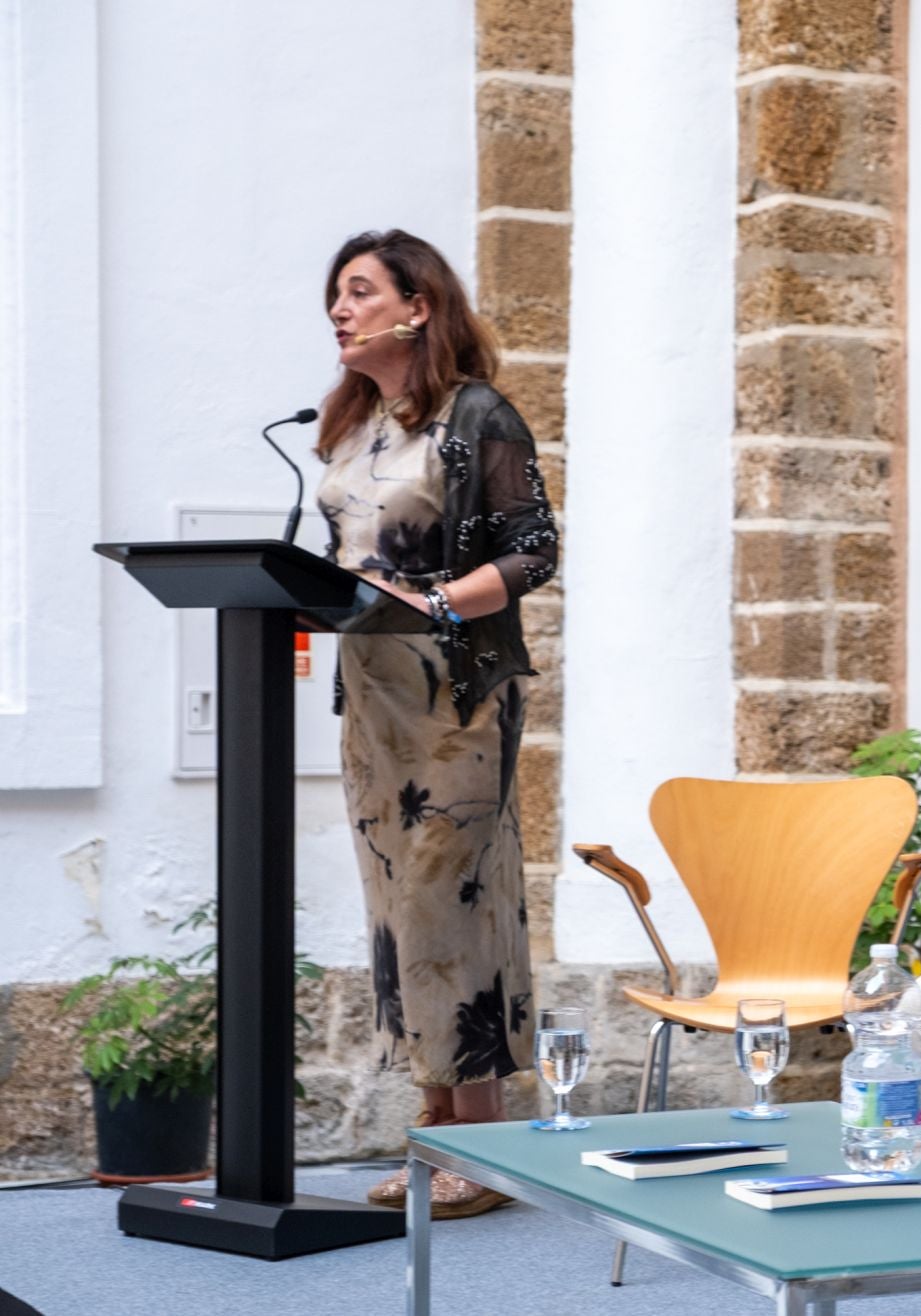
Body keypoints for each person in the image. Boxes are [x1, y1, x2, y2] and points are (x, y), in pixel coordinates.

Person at [314, 230, 558, 1220]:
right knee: (394, 907)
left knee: (449, 897)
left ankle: (485, 1144)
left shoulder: (477, 414)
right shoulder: (348, 423)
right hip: (370, 699)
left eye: (360, 291)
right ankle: (434, 1130)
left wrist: (441, 602)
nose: (339, 308)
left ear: (418, 306)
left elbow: (534, 546)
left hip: (455, 697)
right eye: (334, 294)